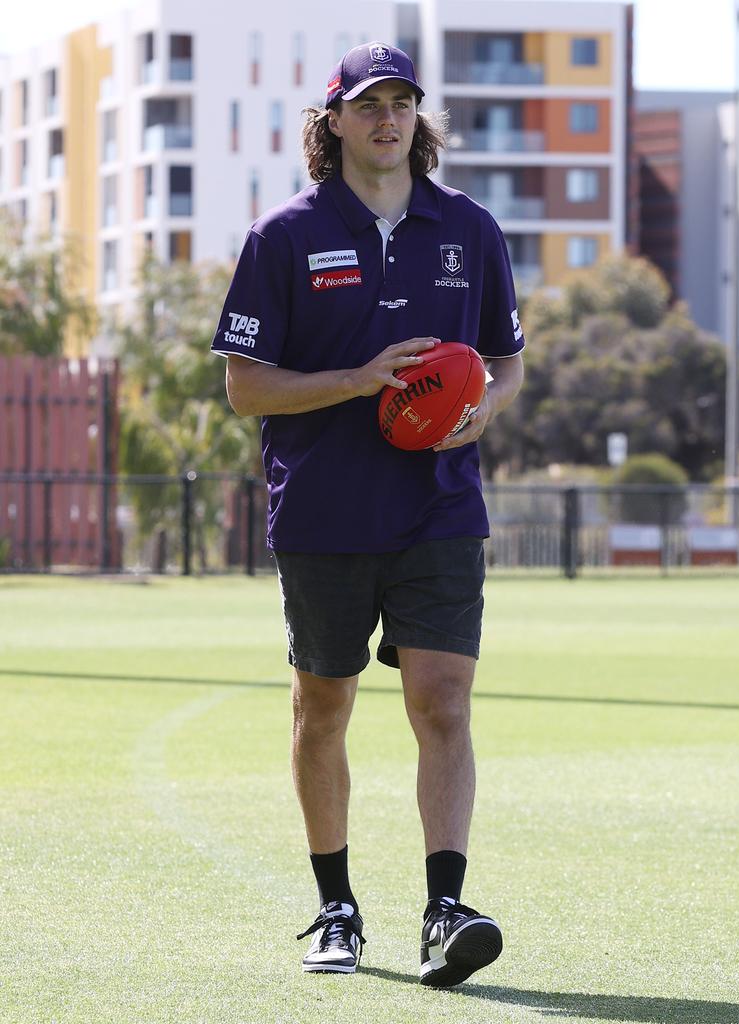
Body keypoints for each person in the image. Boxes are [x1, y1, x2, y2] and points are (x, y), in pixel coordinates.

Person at [211, 41, 525, 987]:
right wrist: (358, 381)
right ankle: (335, 907)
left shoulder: (470, 229)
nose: (387, 117)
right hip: (323, 510)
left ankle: (444, 910)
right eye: (368, 103)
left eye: (402, 102)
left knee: (443, 702)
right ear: (334, 121)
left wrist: (482, 411)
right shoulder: (285, 236)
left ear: (416, 119)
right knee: (324, 708)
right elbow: (243, 388)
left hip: (440, 507)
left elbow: (506, 361)